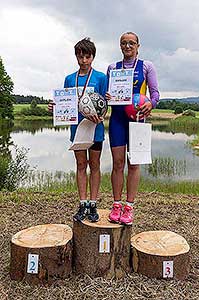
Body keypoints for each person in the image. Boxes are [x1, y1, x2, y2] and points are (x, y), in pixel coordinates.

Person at [49, 38, 107, 222]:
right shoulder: (69, 79)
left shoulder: (101, 77)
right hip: (77, 129)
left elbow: (105, 104)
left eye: (87, 56)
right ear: (76, 56)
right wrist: (55, 108)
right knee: (81, 165)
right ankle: (82, 203)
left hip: (95, 129)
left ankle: (93, 203)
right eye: (80, 56)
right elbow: (66, 104)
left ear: (93, 57)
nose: (83, 60)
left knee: (95, 165)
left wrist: (102, 115)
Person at [106, 32, 159, 225]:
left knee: (134, 164)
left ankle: (129, 206)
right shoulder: (112, 67)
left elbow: (155, 93)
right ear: (120, 46)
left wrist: (151, 104)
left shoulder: (147, 66)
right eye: (124, 43)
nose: (127, 46)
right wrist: (107, 97)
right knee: (118, 163)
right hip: (117, 120)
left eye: (131, 43)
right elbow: (108, 93)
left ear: (138, 46)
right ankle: (116, 204)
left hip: (138, 120)